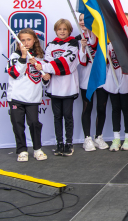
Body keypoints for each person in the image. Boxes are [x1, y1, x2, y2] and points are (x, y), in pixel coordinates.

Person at [36, 19, 80, 157]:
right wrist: (45, 68)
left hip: (68, 87)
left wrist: (44, 67)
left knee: (68, 116)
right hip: (54, 87)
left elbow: (65, 63)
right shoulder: (50, 45)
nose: (62, 31)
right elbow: (48, 61)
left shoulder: (73, 44)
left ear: (69, 31)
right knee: (57, 117)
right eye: (59, 29)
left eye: (65, 29)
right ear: (56, 30)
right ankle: (59, 143)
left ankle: (69, 143)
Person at [7, 28, 49, 162]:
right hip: (16, 98)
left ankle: (37, 149)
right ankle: (22, 150)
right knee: (18, 124)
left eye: (28, 39)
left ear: (35, 40)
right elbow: (14, 74)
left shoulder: (40, 58)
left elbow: (44, 81)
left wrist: (46, 77)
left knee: (34, 123)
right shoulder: (14, 57)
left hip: (33, 98)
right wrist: (23, 57)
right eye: (22, 40)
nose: (25, 42)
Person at [77, 13, 110, 152]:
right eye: (81, 20)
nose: (83, 22)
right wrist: (83, 47)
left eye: (86, 19)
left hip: (101, 78)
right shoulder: (78, 38)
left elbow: (107, 58)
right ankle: (87, 138)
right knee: (87, 108)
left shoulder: (102, 37)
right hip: (87, 79)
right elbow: (82, 62)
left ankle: (99, 136)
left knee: (101, 108)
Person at [104, 13, 128, 152]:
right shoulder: (110, 39)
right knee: (115, 109)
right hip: (112, 77)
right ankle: (116, 137)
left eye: (127, 21)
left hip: (126, 77)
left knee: (126, 108)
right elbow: (105, 59)